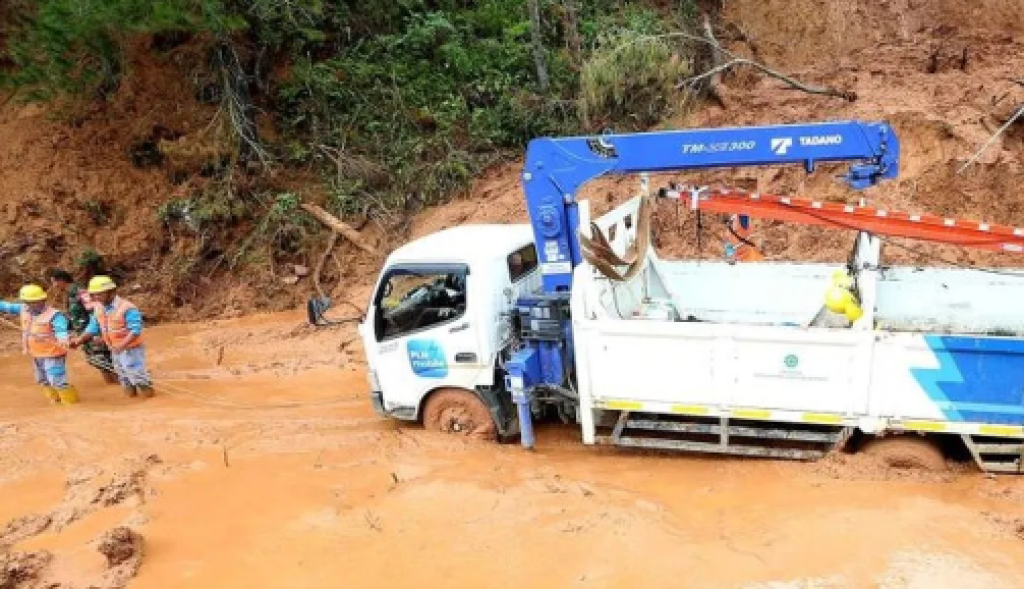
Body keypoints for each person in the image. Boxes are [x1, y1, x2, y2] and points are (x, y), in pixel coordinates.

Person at [72, 276, 154, 398]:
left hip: (131, 349)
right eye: (94, 295)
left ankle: (149, 398)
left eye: (99, 294)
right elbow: (93, 327)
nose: (96, 298)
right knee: (123, 376)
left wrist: (122, 345)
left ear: (111, 292)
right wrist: (78, 341)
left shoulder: (127, 308)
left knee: (137, 375)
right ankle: (132, 400)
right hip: (115, 349)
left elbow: (135, 331)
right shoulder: (98, 308)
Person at [0, 284, 79, 405]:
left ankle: (70, 404)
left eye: (35, 301)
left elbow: (61, 330)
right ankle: (55, 402)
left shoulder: (55, 315)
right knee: (42, 380)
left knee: (56, 379)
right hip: (37, 354)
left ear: (43, 300)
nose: (31, 305)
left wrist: (63, 339)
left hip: (53, 353)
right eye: (28, 302)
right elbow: (7, 306)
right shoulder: (24, 309)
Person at [46, 268, 119, 384]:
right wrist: (70, 334)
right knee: (98, 361)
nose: (54, 286)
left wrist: (99, 334)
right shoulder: (69, 295)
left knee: (103, 360)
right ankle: (114, 385)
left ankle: (121, 384)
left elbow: (96, 312)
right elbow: (73, 317)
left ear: (61, 280)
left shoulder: (81, 292)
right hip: (84, 334)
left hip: (93, 333)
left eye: (54, 282)